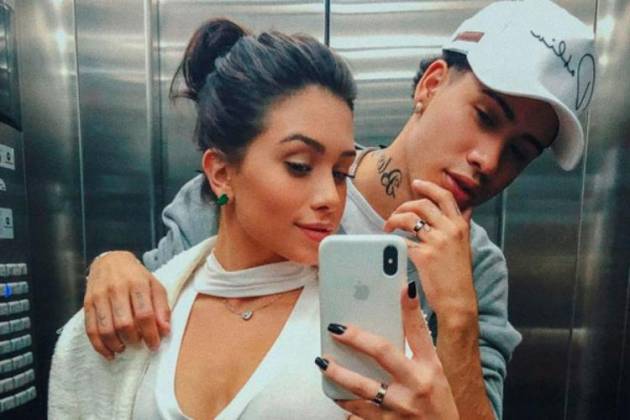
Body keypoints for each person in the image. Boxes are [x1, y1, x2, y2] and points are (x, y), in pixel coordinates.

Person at [79, 1, 597, 418]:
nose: (489, 160)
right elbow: (154, 313)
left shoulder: (479, 267)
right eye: (485, 116)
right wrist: (112, 264)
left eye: (520, 152)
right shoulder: (251, 194)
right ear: (432, 84)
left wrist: (459, 316)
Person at [49, 19, 460, 419]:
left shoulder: (369, 330)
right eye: (299, 166)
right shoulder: (145, 312)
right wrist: (108, 260)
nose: (330, 199)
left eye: (340, 173)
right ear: (221, 173)